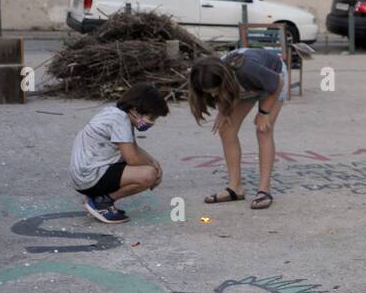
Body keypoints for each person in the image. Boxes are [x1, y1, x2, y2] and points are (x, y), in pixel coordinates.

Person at [188, 47, 289, 210]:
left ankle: (264, 190)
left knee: (263, 130)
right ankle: (235, 188)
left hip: (272, 78)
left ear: (223, 81)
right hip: (244, 85)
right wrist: (223, 111)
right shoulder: (210, 73)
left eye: (214, 92)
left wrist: (264, 112)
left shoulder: (246, 69)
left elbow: (277, 83)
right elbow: (223, 93)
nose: (213, 96)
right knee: (226, 129)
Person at [70, 83, 169, 224]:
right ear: (135, 110)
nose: (151, 122)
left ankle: (100, 198)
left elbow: (134, 147)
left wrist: (154, 163)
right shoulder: (120, 120)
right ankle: (101, 202)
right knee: (148, 175)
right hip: (89, 176)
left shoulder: (115, 113)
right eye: (151, 117)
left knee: (151, 169)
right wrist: (155, 172)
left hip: (86, 172)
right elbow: (133, 158)